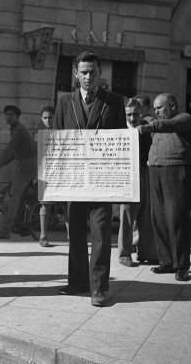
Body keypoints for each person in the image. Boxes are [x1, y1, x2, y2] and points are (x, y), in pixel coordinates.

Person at [53, 51, 126, 307]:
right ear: (75, 74)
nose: (87, 76)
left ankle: (99, 288)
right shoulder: (64, 102)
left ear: (100, 74)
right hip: (73, 181)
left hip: (101, 181)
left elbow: (121, 143)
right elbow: (56, 140)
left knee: (101, 234)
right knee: (75, 234)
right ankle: (77, 282)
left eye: (92, 72)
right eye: (83, 72)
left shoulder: (114, 102)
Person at [139, 93, 191, 281]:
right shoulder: (159, 125)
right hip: (155, 171)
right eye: (154, 108)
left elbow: (169, 125)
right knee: (159, 219)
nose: (156, 112)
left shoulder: (184, 119)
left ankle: (181, 265)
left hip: (177, 171)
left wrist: (149, 126)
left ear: (172, 105)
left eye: (159, 108)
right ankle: (166, 262)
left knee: (177, 219)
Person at [117, 98, 157, 267]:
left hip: (144, 173)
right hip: (127, 175)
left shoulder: (146, 130)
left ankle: (146, 252)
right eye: (129, 114)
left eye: (135, 114)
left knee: (146, 215)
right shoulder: (119, 130)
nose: (132, 118)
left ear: (141, 113)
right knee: (127, 216)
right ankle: (124, 254)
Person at [0, 105, 37, 239]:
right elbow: (12, 153)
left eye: (11, 114)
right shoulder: (15, 129)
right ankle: (19, 224)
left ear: (17, 116)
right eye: (6, 114)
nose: (8, 117)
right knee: (14, 195)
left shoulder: (19, 130)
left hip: (27, 165)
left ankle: (5, 230)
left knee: (13, 198)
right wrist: (0, 164)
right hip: (23, 163)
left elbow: (10, 150)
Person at [36, 106, 69, 247]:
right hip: (46, 174)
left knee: (67, 206)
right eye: (45, 117)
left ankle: (71, 236)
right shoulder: (39, 136)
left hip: (62, 173)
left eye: (50, 117)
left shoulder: (63, 133)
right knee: (45, 206)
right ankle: (43, 236)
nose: (48, 120)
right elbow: (36, 157)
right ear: (41, 119)